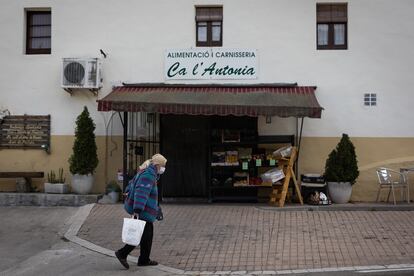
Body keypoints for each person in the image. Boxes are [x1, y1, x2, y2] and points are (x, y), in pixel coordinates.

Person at [115, 153, 167, 269]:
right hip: (142, 210)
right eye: (163, 166)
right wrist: (137, 210)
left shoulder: (147, 172)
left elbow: (132, 184)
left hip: (144, 209)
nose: (164, 169)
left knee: (146, 235)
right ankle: (122, 253)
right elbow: (141, 192)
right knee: (140, 234)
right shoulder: (148, 175)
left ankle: (144, 259)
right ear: (158, 165)